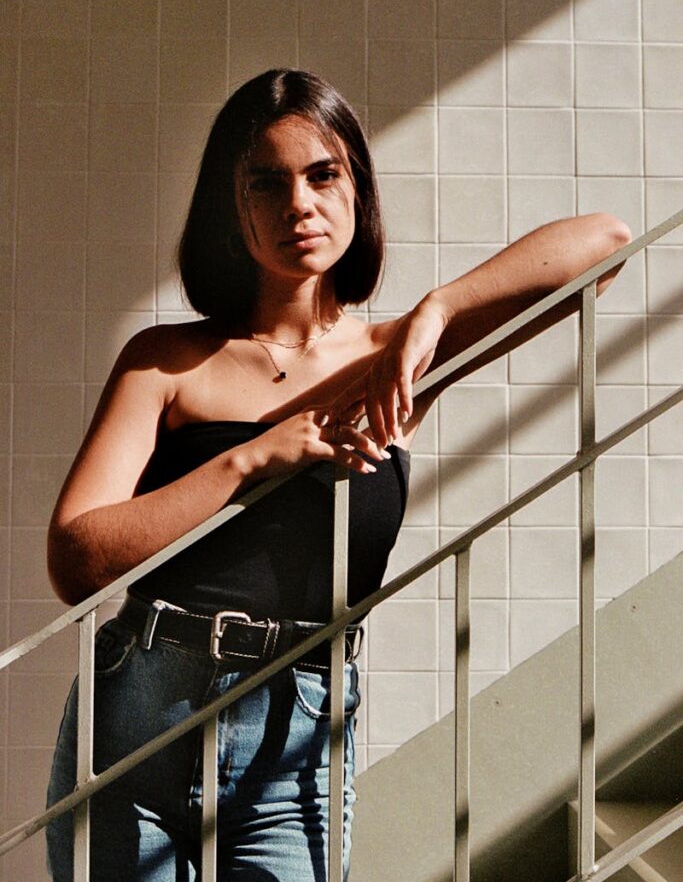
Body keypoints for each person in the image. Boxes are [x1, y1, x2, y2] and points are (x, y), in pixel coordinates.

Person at [45, 68, 631, 882]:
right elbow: (77, 560)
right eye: (266, 182)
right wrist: (253, 457)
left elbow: (603, 245)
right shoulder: (166, 361)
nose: (299, 204)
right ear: (232, 205)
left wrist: (435, 312)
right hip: (139, 719)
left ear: (357, 188)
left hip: (297, 737)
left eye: (323, 175)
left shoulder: (388, 363)